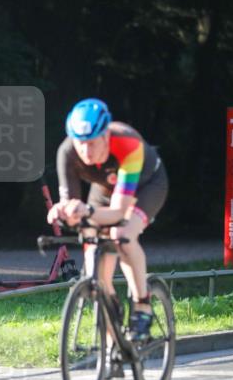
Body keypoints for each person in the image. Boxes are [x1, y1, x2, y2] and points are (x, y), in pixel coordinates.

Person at [47, 98, 168, 343]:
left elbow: (119, 213)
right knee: (95, 268)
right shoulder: (66, 152)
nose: (85, 150)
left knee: (121, 235)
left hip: (147, 187)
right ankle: (113, 336)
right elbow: (73, 210)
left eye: (92, 143)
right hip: (104, 190)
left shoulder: (127, 143)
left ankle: (142, 304)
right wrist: (62, 211)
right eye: (80, 143)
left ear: (105, 136)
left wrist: (86, 210)